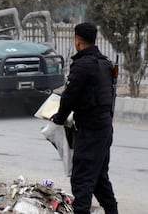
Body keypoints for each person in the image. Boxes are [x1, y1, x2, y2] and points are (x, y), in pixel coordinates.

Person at [51, 22, 118, 214]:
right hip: (104, 129)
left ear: (78, 42)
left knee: (82, 180)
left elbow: (69, 96)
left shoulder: (82, 66)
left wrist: (59, 117)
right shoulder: (105, 63)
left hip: (90, 131)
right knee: (98, 178)